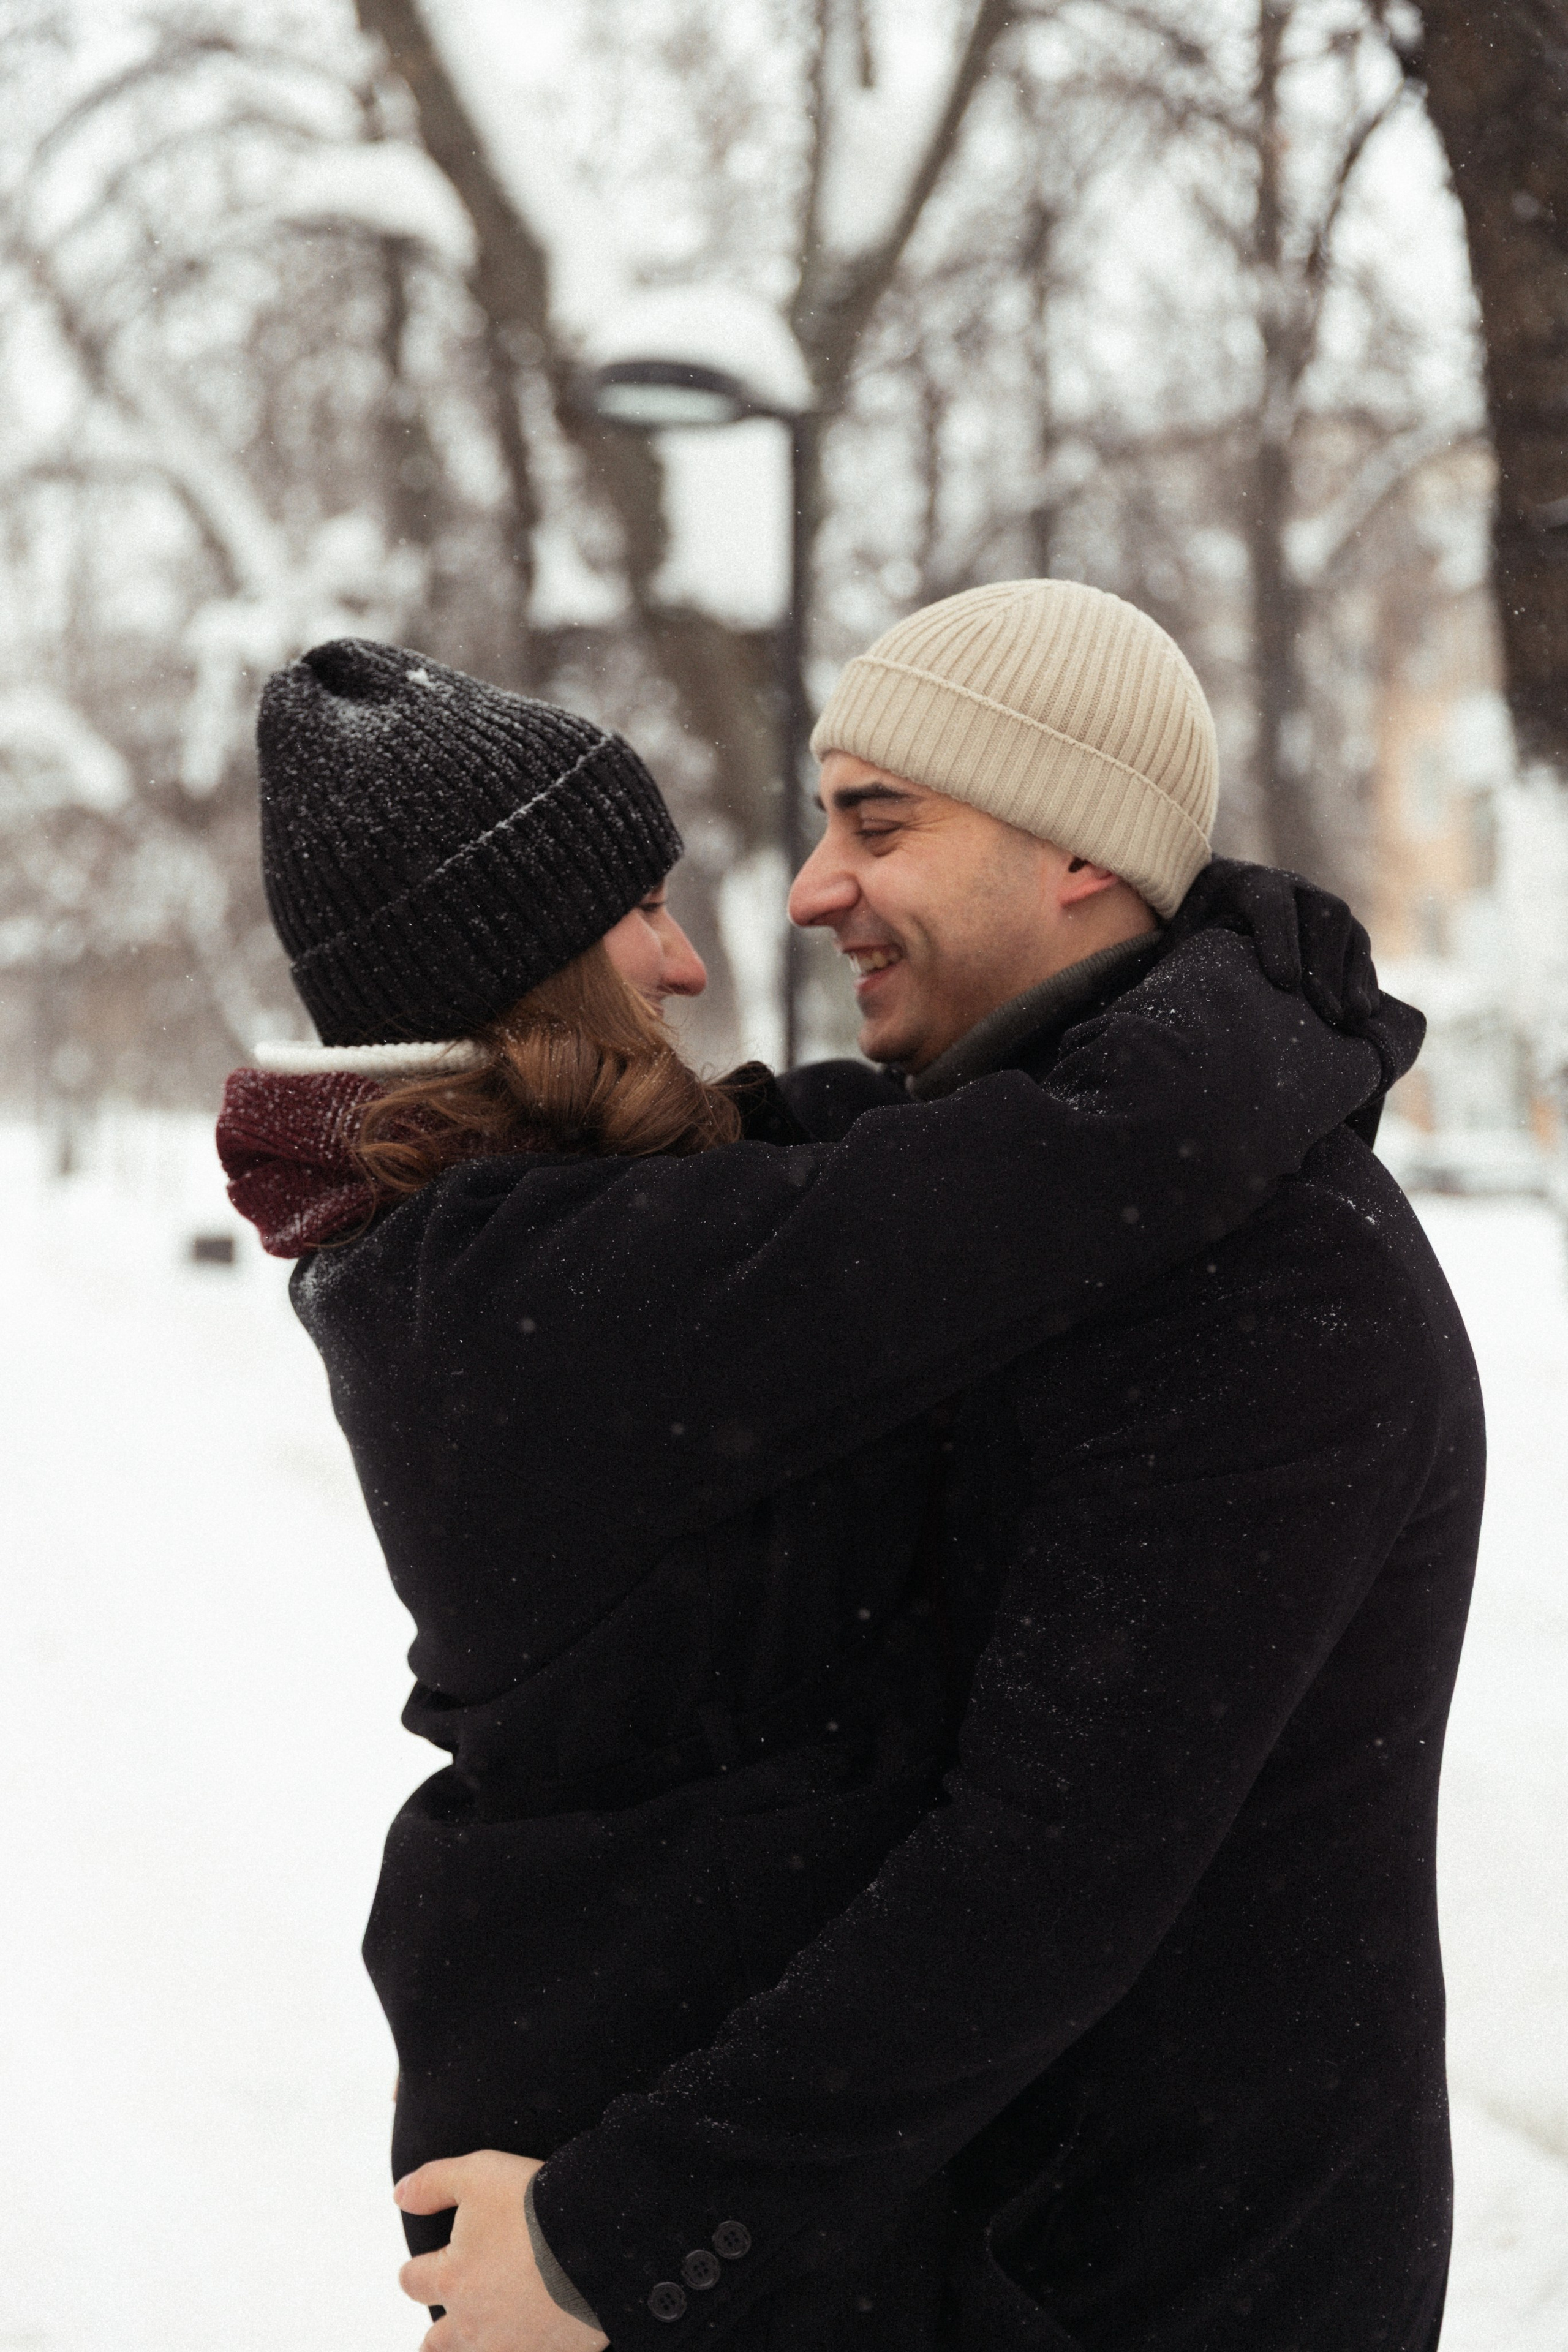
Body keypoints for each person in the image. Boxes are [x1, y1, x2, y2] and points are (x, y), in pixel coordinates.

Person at [216, 623, 1414, 2352]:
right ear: (532, 967)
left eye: (878, 823)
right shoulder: (525, 1284)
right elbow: (1069, 1162)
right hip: (608, 2177)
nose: (708, 952)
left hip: (655, 2148)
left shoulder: (525, 1238)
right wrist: (1272, 984)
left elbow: (872, 1151)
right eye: (637, 913)